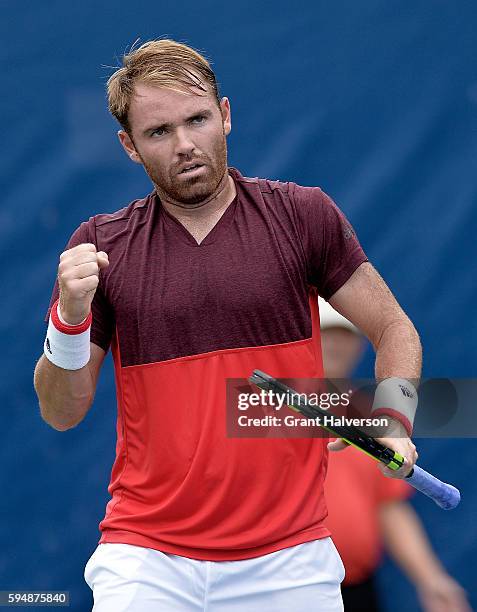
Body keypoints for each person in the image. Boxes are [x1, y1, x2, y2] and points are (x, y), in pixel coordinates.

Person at [33, 39, 422, 611]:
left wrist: (393, 418)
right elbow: (61, 412)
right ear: (130, 147)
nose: (186, 144)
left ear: (226, 115)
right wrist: (67, 321)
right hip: (147, 559)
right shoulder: (99, 247)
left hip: (292, 559)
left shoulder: (302, 215)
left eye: (198, 119)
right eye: (159, 132)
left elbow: (395, 330)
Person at [320, 298, 470, 612]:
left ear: (359, 347)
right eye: (326, 334)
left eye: (345, 335)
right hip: (287, 589)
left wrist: (430, 579)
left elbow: (388, 507)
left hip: (359, 591)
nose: (336, 344)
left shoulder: (372, 418)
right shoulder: (262, 415)